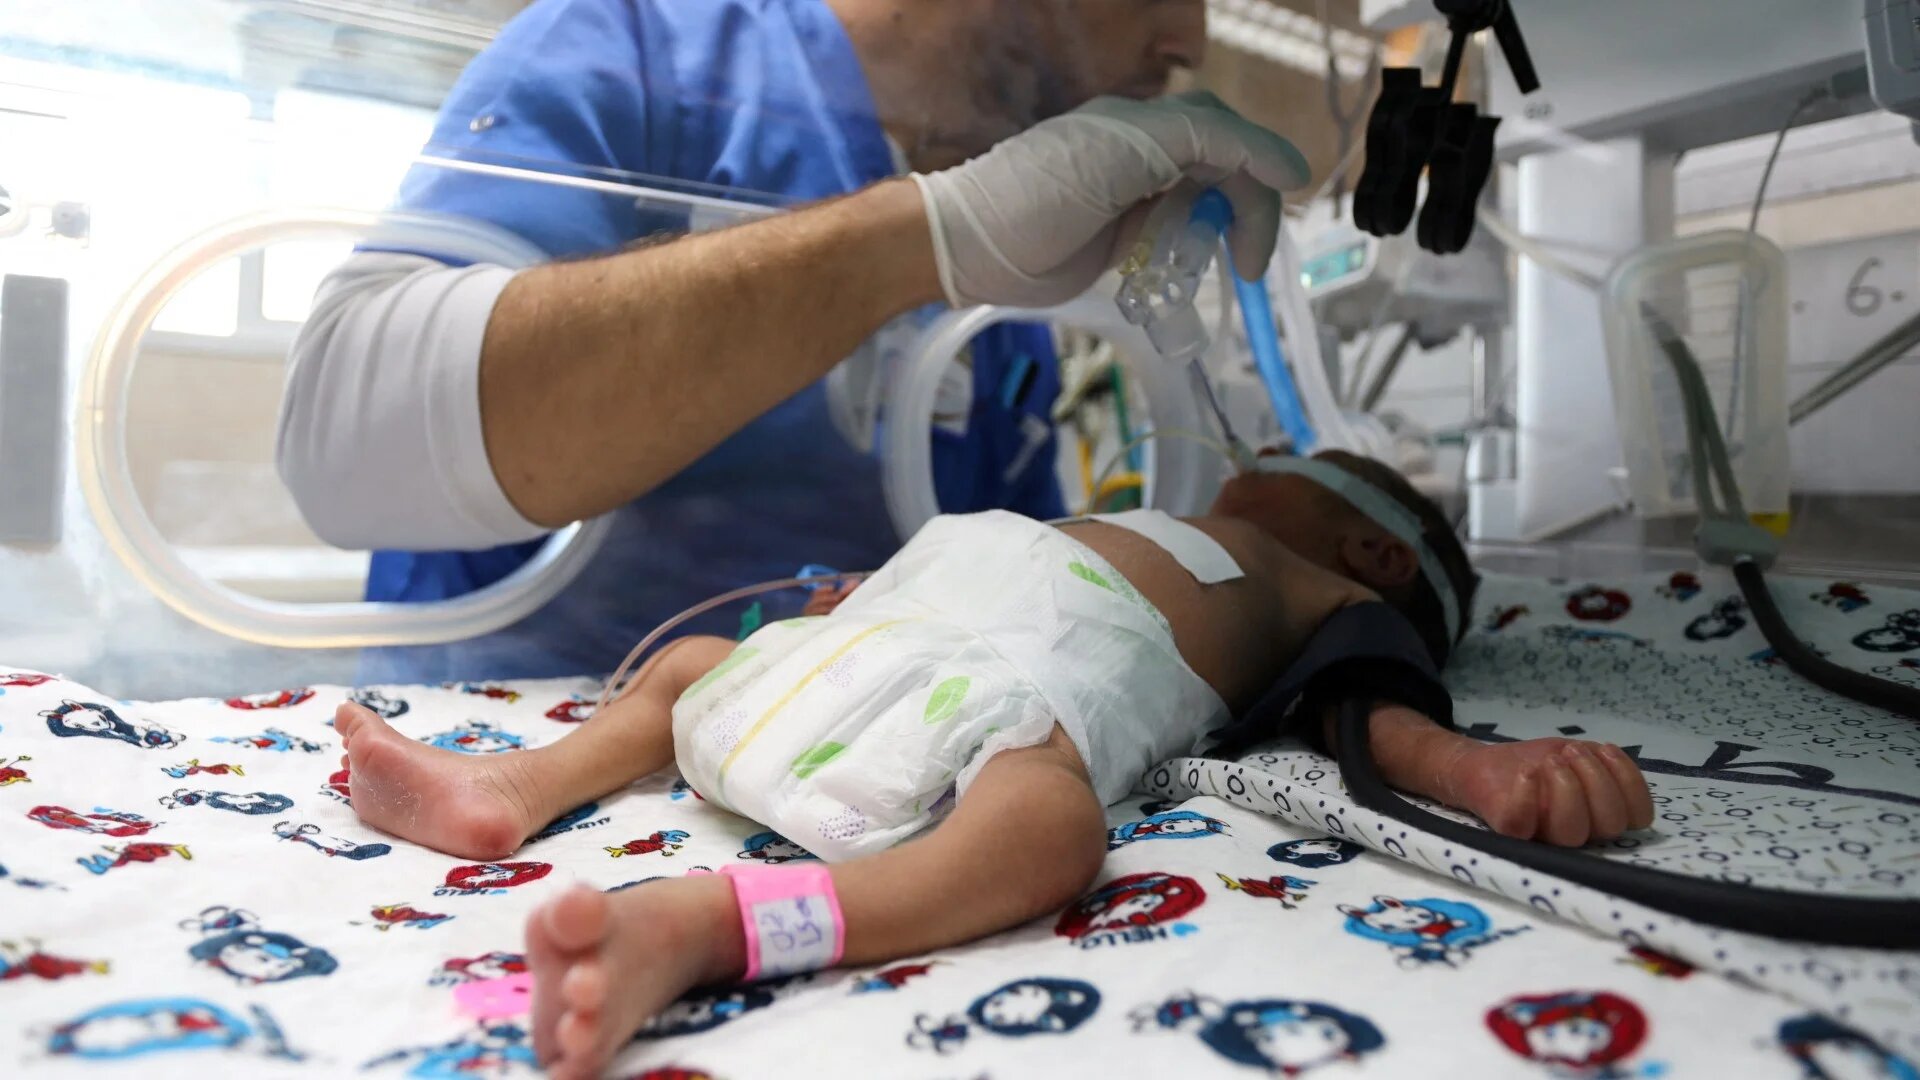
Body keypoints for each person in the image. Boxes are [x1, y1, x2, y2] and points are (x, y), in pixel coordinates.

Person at [329, 450, 1655, 1079]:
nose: (1264, 462)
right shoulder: (1142, 513)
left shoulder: (1314, 583)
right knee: (687, 675)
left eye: (1310, 466)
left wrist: (1479, 771)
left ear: (1377, 554)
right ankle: (509, 787)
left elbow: (1361, 712)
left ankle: (713, 929)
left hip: (1009, 716)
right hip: (860, 653)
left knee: (1049, 834)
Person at [277, 0, 1306, 682]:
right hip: (502, 778)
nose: (1189, 39)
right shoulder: (646, 43)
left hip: (808, 806)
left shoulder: (1021, 293)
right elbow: (343, 452)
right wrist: (921, 239)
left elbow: (1010, 614)